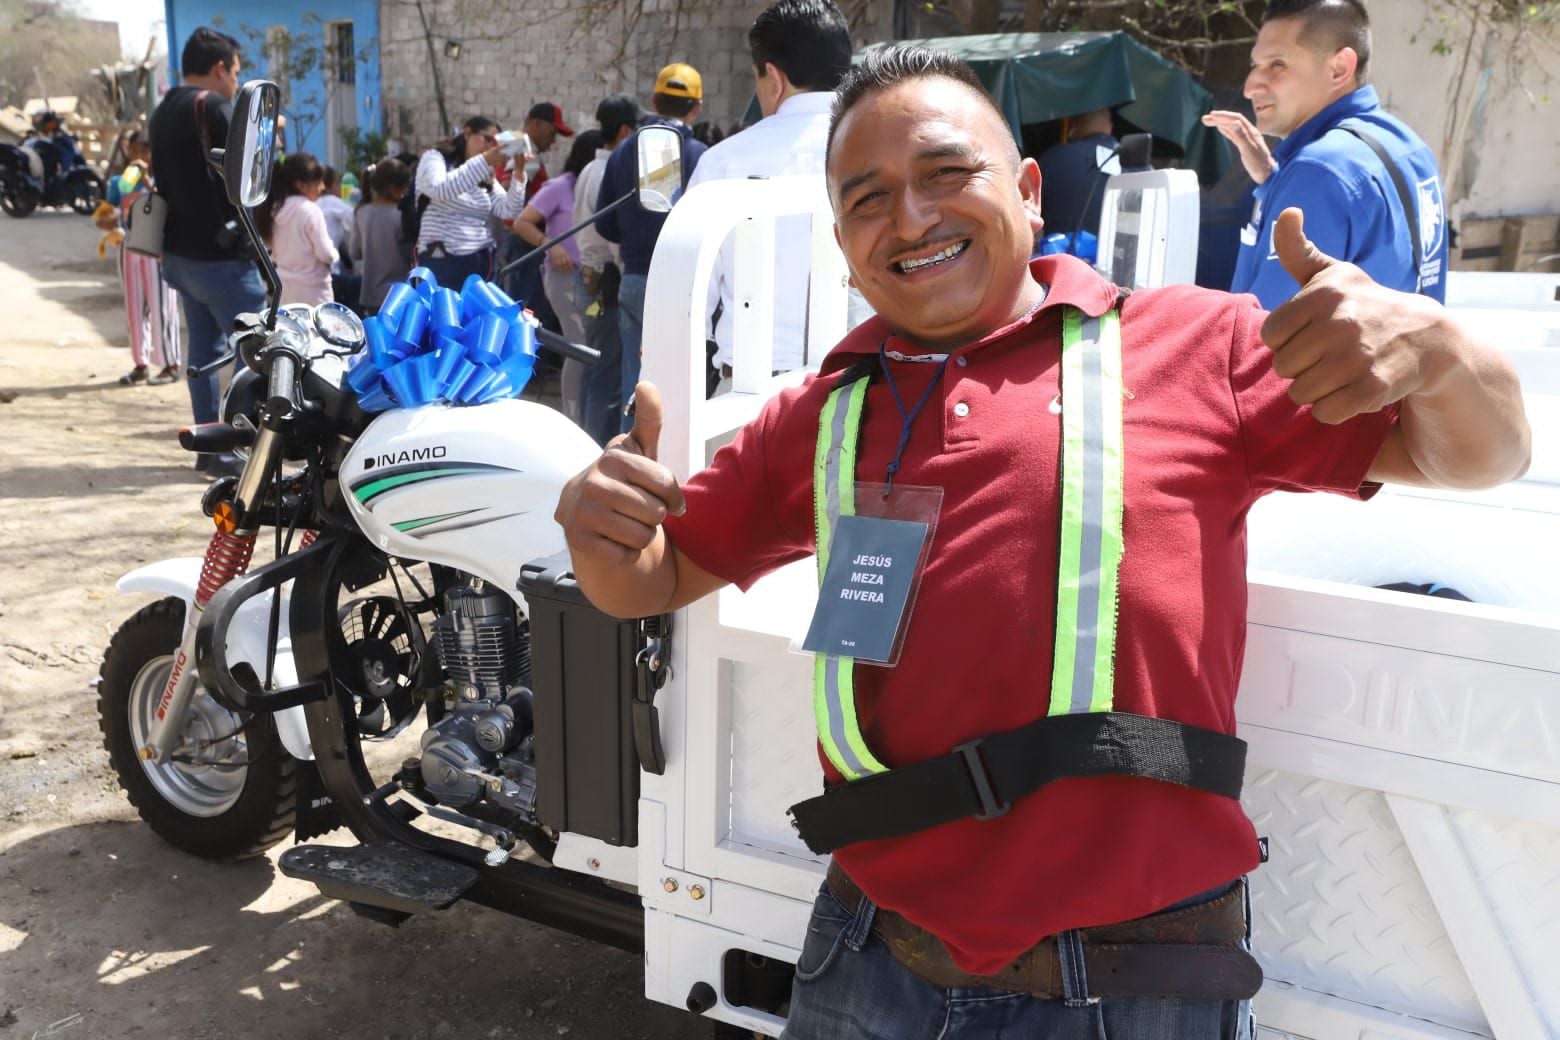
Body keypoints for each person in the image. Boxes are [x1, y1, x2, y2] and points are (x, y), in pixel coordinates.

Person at [555, 45, 1529, 1038]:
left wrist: (1443, 355)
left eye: (945, 175)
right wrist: (600, 529)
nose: (912, 217)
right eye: (868, 199)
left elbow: (1479, 456)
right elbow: (653, 576)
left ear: (1027, 191)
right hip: (870, 956)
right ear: (847, 248)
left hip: (1134, 979)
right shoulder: (821, 413)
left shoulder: (1201, 345)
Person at [1202, 0, 1448, 309]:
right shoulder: (1408, 146)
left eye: (1277, 64)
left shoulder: (1319, 171)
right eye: (1255, 65)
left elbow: (1264, 331)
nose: (1250, 86)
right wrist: (1272, 181)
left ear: (1338, 69)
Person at [685, 0, 853, 391]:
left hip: (748, 397)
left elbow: (689, 300)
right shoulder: (883, 152)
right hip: (862, 388)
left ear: (774, 78)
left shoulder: (724, 162)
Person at [151, 26, 267, 476]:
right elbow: (243, 185)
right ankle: (239, 448)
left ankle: (208, 445)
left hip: (178, 256)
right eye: (236, 72)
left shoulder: (163, 110)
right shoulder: (216, 107)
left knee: (202, 354)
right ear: (220, 69)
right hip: (221, 262)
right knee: (252, 353)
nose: (236, 81)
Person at [596, 63, 708, 434]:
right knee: (678, 385)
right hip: (680, 288)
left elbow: (604, 222)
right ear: (696, 108)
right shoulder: (701, 156)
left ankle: (626, 469)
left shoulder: (624, 152)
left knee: (634, 379)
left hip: (633, 278)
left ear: (654, 100)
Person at [510, 130, 602, 421]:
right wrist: (551, 246)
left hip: (594, 279)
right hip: (564, 277)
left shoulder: (601, 186)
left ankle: (585, 413)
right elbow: (522, 222)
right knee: (577, 347)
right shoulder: (560, 187)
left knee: (589, 347)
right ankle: (573, 415)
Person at [574, 95, 640, 446]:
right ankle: (597, 447)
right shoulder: (610, 169)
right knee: (608, 373)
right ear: (627, 130)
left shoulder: (589, 168)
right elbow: (610, 229)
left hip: (589, 273)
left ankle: (588, 439)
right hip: (607, 276)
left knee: (596, 370)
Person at [105, 130, 181, 386]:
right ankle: (141, 363)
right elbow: (108, 211)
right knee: (135, 309)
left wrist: (147, 180)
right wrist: (106, 223)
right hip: (128, 247)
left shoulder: (164, 180)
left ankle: (170, 364)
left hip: (156, 249)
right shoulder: (119, 182)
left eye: (145, 151)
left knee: (161, 307)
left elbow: (167, 205)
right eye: (135, 151)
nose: (140, 156)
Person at [413, 115, 525, 287]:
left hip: (480, 263)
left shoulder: (483, 171)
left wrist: (519, 173)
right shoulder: (435, 158)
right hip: (441, 260)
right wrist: (484, 161)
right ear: (467, 133)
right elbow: (440, 189)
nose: (490, 147)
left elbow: (508, 210)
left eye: (495, 144)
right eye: (487, 139)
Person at [255, 153, 338, 307]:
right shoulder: (310, 211)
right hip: (315, 293)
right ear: (301, 185)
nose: (322, 187)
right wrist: (335, 255)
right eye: (318, 182)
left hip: (285, 291)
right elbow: (325, 254)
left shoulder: (274, 211)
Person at [1037, 106, 1121, 240]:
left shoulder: (1054, 157)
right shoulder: (1138, 164)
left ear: (1073, 127)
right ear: (1110, 127)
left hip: (1062, 257)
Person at [350, 158, 413, 314]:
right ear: (394, 188)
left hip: (370, 295)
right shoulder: (402, 214)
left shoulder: (362, 212)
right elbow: (411, 253)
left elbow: (354, 252)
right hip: (400, 295)